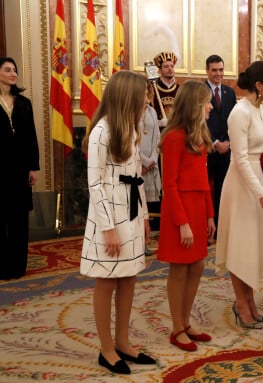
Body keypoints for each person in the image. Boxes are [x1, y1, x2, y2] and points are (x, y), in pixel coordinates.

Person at [80, 70, 155, 374]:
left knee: (128, 276)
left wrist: (146, 216)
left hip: (132, 212)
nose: (146, 103)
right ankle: (106, 348)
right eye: (143, 98)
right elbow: (95, 184)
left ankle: (123, 341)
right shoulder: (102, 130)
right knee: (107, 278)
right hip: (108, 216)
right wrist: (109, 228)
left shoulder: (131, 128)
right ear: (128, 98)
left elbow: (136, 176)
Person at [215, 61, 263, 329]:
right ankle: (242, 304)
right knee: (240, 246)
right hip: (241, 184)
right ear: (259, 86)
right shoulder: (239, 112)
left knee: (253, 245)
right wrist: (261, 194)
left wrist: (261, 190)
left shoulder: (259, 107)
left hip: (255, 179)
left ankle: (250, 302)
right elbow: (240, 160)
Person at [157, 80, 216, 352]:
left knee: (198, 266)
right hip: (179, 211)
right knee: (180, 268)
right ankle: (177, 328)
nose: (211, 106)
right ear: (194, 105)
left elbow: (204, 181)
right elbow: (169, 184)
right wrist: (183, 223)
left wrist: (209, 217)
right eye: (206, 102)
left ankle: (186, 321)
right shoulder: (173, 137)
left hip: (198, 208)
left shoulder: (199, 137)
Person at [0, 57, 40, 280]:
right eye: (7, 70)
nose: (13, 73)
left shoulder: (24, 103)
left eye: (15, 69)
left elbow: (31, 137)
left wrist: (33, 167)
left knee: (18, 218)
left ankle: (17, 266)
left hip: (20, 170)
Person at [205, 55, 237, 234]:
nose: (218, 74)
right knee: (203, 190)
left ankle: (219, 227)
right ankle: (204, 226)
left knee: (223, 190)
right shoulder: (200, 91)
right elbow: (199, 122)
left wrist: (228, 142)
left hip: (226, 151)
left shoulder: (229, 92)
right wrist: (215, 142)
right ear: (207, 71)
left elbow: (233, 120)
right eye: (214, 70)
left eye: (221, 70)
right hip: (206, 149)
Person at [139, 82, 162, 254]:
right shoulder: (130, 113)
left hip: (151, 164)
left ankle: (144, 241)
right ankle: (137, 241)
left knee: (145, 205)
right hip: (137, 164)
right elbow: (129, 142)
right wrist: (144, 162)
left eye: (148, 95)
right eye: (144, 95)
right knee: (137, 204)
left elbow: (157, 139)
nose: (147, 99)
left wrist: (153, 159)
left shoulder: (153, 111)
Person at [152, 51, 179, 129]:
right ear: (160, 71)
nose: (170, 69)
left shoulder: (180, 90)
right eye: (166, 66)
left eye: (172, 66)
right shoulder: (153, 90)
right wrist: (158, 123)